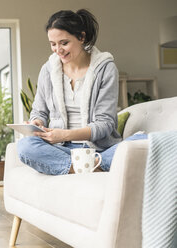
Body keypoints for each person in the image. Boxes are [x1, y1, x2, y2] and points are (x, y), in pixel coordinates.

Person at [17, 9, 147, 175]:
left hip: (97, 150)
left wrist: (64, 135)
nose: (58, 50)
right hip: (60, 150)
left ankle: (82, 165)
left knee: (144, 140)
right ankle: (91, 167)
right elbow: (39, 111)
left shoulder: (105, 69)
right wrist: (37, 122)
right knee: (25, 146)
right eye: (53, 44)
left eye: (64, 43)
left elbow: (105, 124)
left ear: (81, 37)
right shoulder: (48, 70)